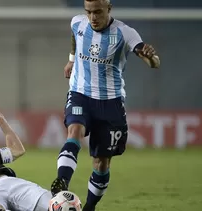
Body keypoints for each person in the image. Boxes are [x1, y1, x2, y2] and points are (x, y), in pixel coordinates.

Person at [50, 0, 161, 211]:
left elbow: (153, 63)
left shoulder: (125, 33)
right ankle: (61, 182)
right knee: (74, 131)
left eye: (98, 12)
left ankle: (89, 207)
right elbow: (75, 39)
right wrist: (72, 60)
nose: (93, 17)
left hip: (111, 102)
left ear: (109, 9)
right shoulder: (77, 23)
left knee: (101, 163)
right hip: (80, 93)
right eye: (89, 12)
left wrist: (152, 58)